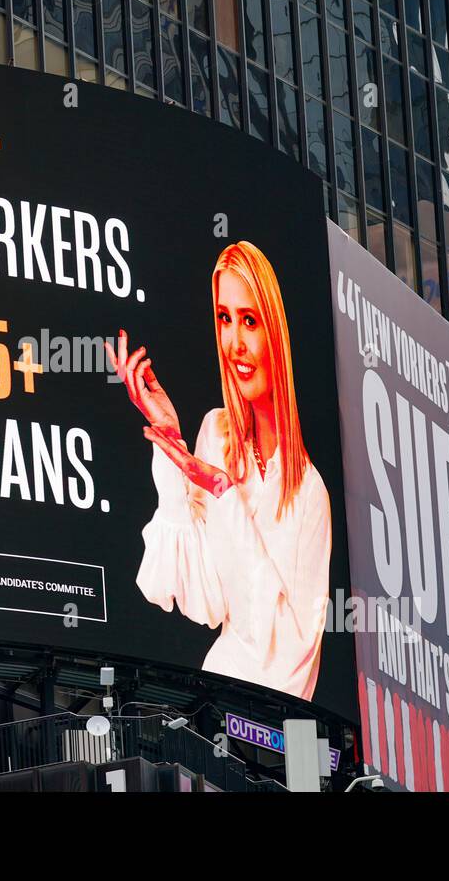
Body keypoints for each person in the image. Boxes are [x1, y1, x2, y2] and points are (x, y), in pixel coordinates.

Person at [106, 240, 331, 699]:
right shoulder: (216, 434)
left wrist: (225, 494)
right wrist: (169, 437)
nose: (234, 344)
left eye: (249, 320)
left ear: (275, 331)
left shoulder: (310, 495)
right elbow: (203, 598)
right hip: (213, 703)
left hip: (272, 731)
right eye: (224, 319)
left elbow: (290, 655)